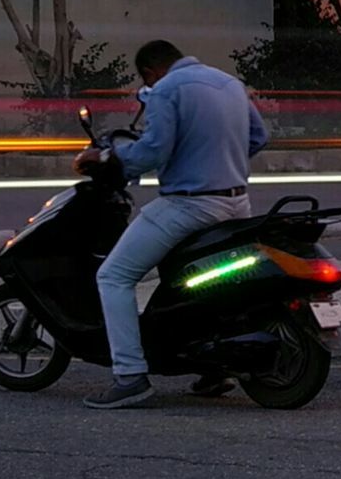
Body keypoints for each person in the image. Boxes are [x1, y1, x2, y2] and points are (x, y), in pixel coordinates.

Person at [73, 40, 269, 409]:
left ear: (149, 72)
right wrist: (218, 158)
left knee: (114, 276)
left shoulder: (165, 90)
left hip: (190, 205)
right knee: (204, 281)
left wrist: (109, 156)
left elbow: (153, 150)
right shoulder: (229, 83)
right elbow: (259, 137)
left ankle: (130, 376)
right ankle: (215, 368)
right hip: (238, 201)